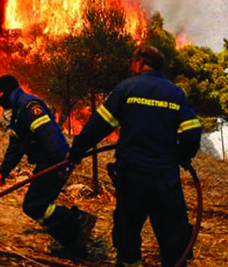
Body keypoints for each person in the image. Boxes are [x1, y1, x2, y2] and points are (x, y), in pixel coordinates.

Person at [68, 45, 203, 267]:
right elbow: (192, 132)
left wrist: (76, 152)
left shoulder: (126, 89)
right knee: (173, 237)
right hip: (165, 180)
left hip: (132, 178)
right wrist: (182, 156)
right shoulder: (175, 93)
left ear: (140, 62)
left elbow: (97, 126)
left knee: (127, 234)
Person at [0, 74, 97, 256]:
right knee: (37, 205)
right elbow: (16, 145)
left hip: (56, 160)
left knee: (34, 205)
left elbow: (50, 135)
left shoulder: (28, 106)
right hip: (49, 160)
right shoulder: (16, 111)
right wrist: (4, 170)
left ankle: (78, 221)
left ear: (7, 90)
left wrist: (61, 163)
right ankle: (75, 244)